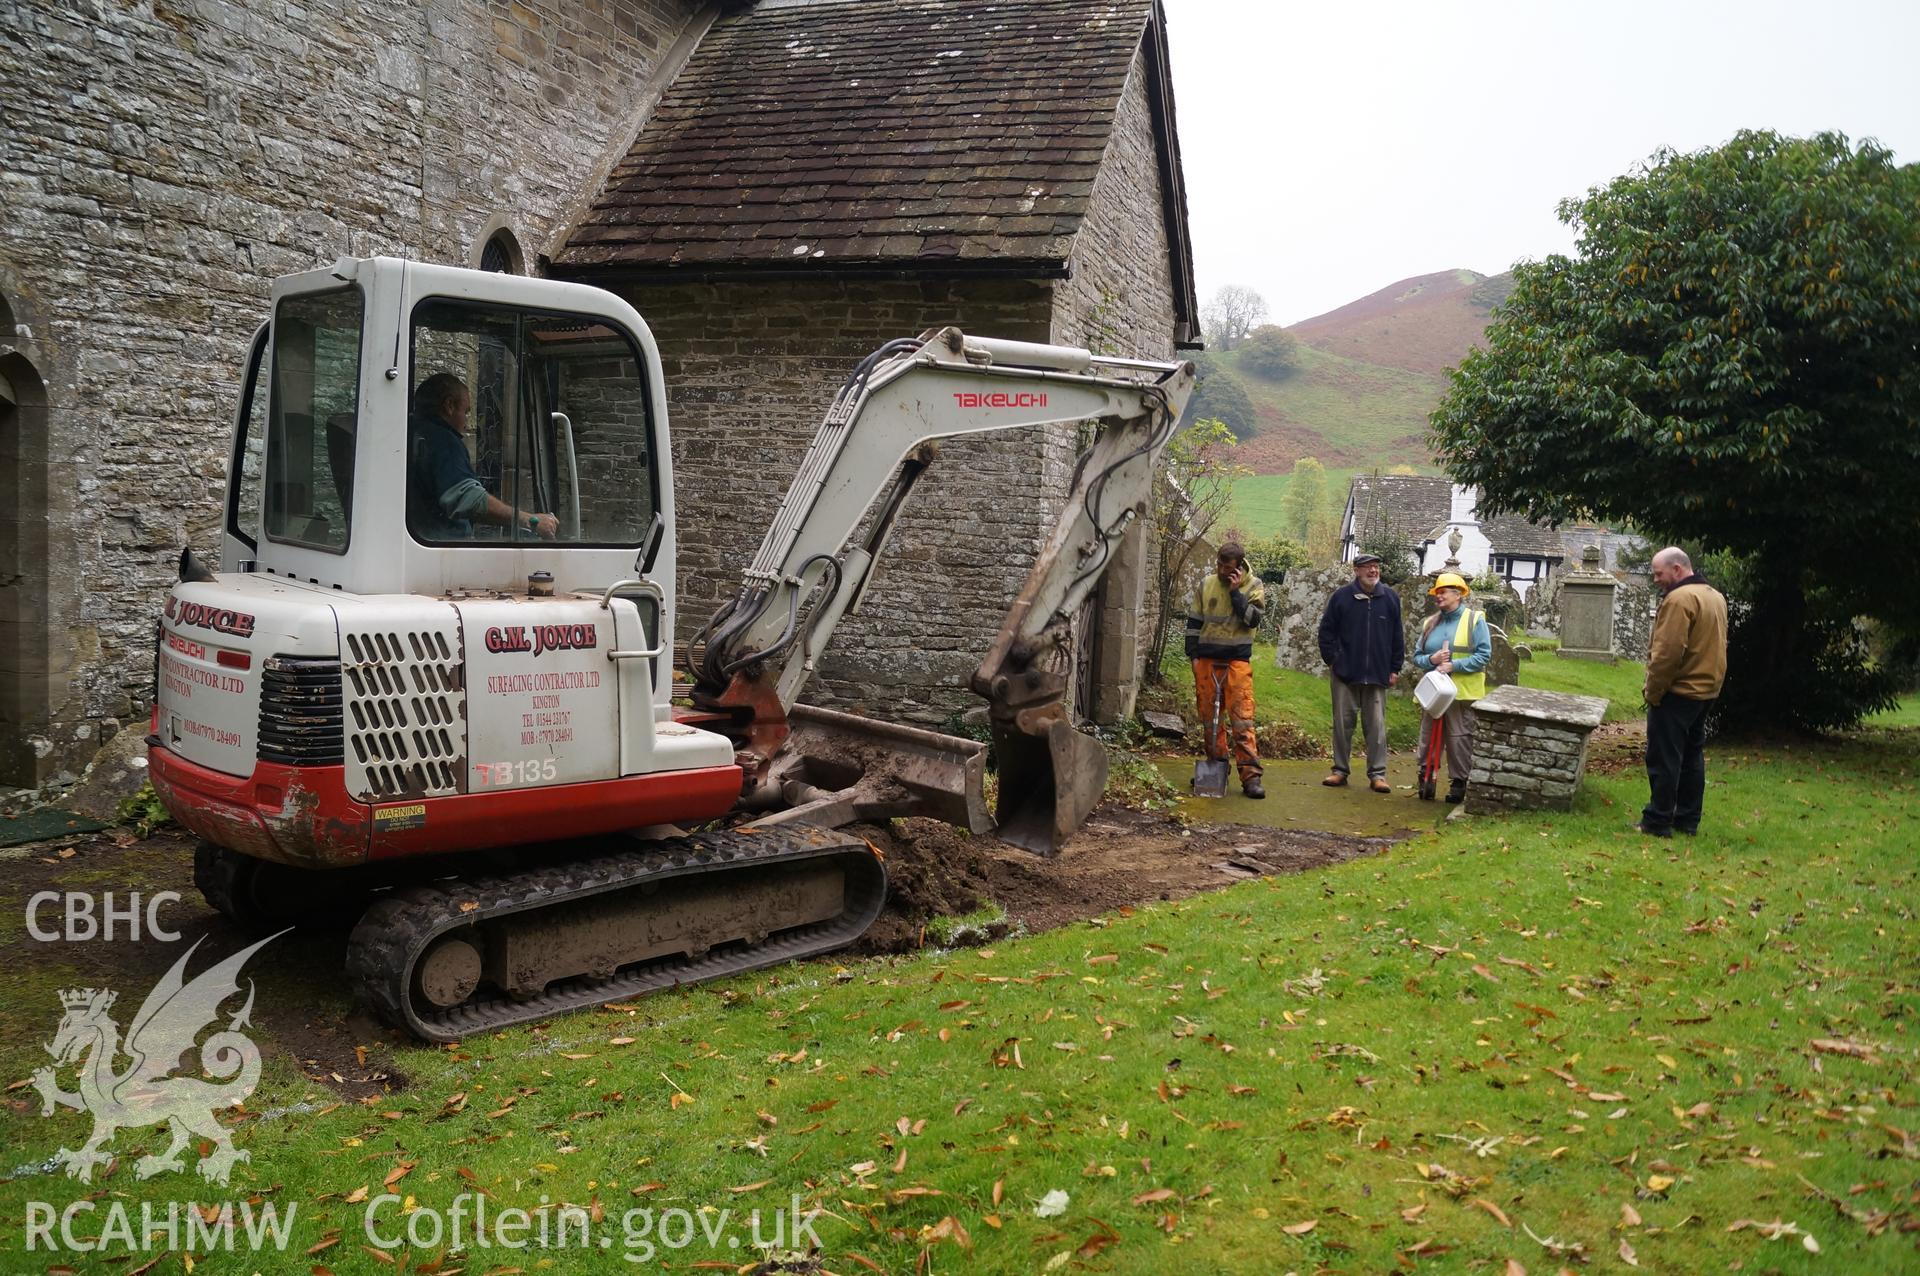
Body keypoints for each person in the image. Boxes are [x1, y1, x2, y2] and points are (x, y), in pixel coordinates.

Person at [1637, 547, 1727, 837]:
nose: (1655, 579)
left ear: (1677, 569)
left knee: (1664, 757)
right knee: (1691, 756)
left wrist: (1653, 691)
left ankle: (1657, 820)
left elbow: (1668, 653)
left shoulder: (1679, 599)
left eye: (1658, 573)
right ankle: (1688, 820)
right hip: (1706, 691)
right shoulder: (1714, 596)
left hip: (1679, 690)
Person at [409, 373, 559, 541]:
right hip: (444, 546)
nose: (467, 423)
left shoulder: (411, 434)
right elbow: (469, 499)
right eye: (465, 412)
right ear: (449, 405)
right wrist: (530, 520)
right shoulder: (442, 440)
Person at [1183, 541, 1266, 798]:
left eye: (1226, 566)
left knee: (1242, 719)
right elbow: (1194, 622)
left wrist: (1234, 592)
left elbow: (1253, 619)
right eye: (1218, 563)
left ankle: (1250, 777)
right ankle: (1216, 767)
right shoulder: (1206, 584)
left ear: (1238, 567)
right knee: (1210, 720)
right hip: (1207, 661)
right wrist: (1193, 656)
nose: (1220, 569)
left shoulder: (1254, 586)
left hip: (1237, 661)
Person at [1317, 553, 1403, 792]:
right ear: (1356, 570)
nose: (1373, 571)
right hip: (1345, 673)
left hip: (1377, 673)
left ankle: (1377, 775)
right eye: (1367, 567)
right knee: (1343, 725)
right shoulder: (1341, 598)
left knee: (1376, 726)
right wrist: (1333, 660)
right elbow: (1326, 632)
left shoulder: (1390, 598)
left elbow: (1398, 636)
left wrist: (1395, 667)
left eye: (1376, 567)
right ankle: (1339, 771)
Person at [1410, 572, 1492, 803]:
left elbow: (1484, 656)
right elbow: (1418, 657)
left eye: (1443, 591)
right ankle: (1426, 777)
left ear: (1458, 594)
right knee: (1427, 737)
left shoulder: (1475, 620)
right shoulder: (1429, 623)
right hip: (1434, 693)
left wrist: (1454, 665)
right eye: (1437, 592)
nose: (1438, 596)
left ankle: (1459, 783)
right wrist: (1432, 660)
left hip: (1461, 693)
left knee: (1459, 738)